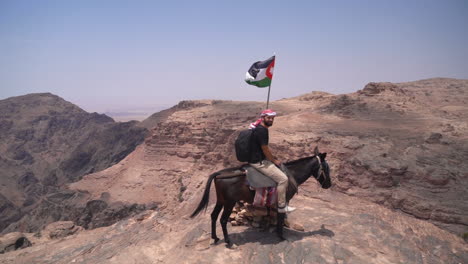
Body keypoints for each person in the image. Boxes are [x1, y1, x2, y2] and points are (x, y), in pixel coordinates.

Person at [249, 109, 296, 213]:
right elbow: (265, 149)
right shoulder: (262, 130)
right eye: (269, 118)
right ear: (263, 118)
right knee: (283, 179)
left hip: (255, 158)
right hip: (259, 162)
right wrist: (273, 160)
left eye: (272, 118)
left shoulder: (257, 128)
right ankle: (281, 206)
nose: (271, 120)